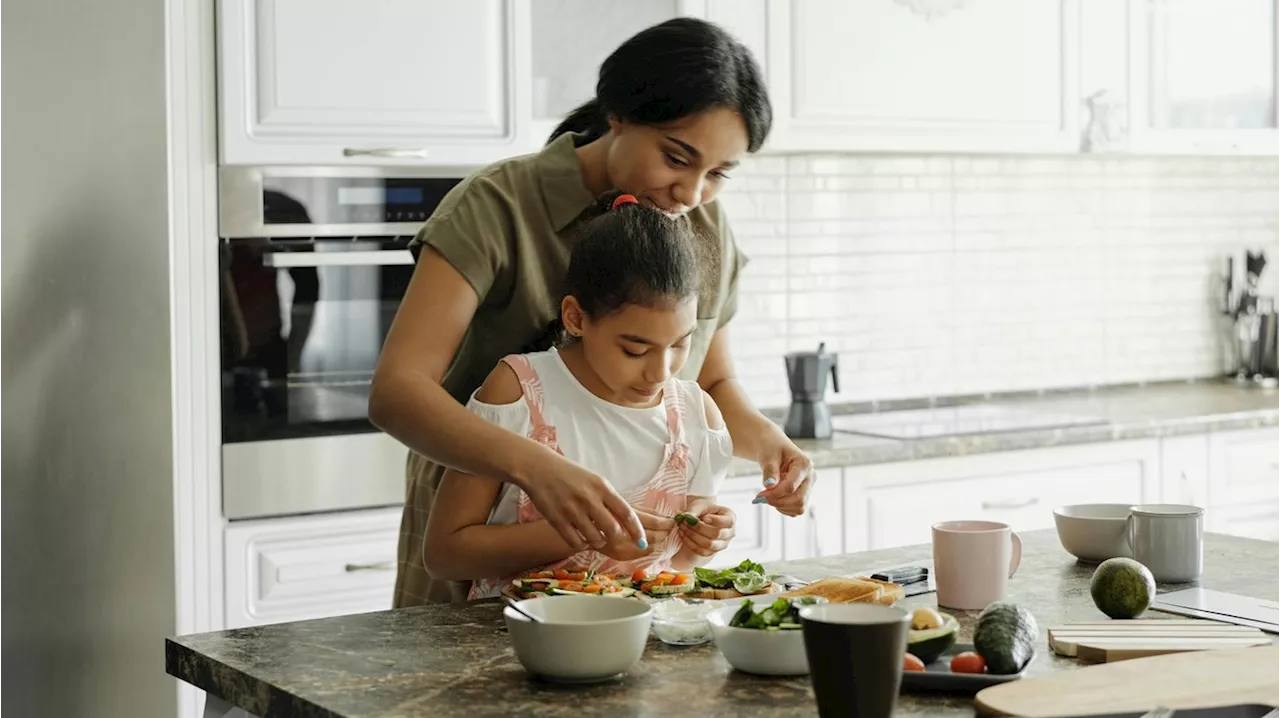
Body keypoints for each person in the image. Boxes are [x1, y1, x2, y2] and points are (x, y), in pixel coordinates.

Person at [369, 16, 816, 607]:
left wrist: (769, 444)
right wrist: (538, 469)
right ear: (618, 115)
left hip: (627, 579)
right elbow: (397, 391)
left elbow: (709, 379)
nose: (692, 193)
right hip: (481, 523)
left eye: (718, 174)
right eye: (676, 157)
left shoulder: (702, 223)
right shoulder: (496, 205)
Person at [423, 192, 735, 597]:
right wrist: (582, 535)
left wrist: (704, 541)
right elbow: (445, 554)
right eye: (635, 350)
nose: (660, 372)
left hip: (646, 645)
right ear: (575, 317)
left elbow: (678, 566)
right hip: (516, 643)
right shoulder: (519, 392)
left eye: (680, 344)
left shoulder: (696, 415)